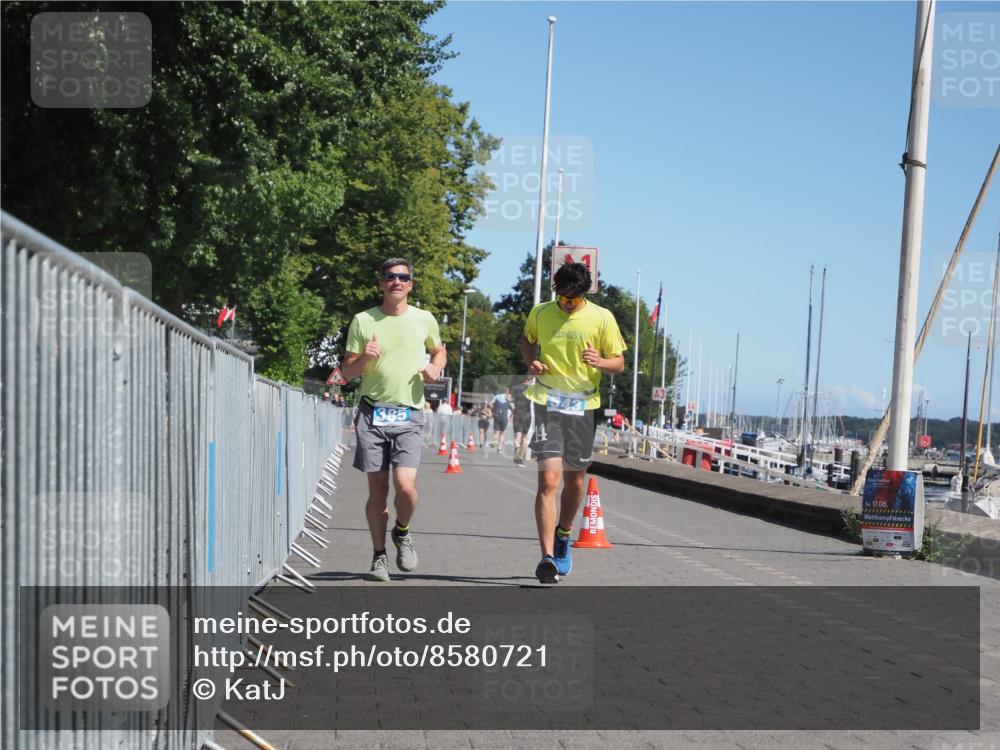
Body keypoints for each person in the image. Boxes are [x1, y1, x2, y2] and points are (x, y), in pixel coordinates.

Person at [341, 258, 446, 582]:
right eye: (390, 276)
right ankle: (379, 557)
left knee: (406, 487)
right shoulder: (363, 320)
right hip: (372, 413)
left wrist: (436, 367)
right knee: (378, 492)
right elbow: (346, 373)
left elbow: (439, 351)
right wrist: (365, 357)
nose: (396, 281)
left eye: (402, 277)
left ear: (410, 284)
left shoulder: (424, 318)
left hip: (409, 413)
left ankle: (402, 530)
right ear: (381, 283)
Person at [521, 262, 626, 584]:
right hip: (547, 402)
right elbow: (527, 340)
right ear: (556, 290)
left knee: (575, 481)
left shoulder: (602, 318)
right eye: (563, 298)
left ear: (585, 294)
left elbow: (619, 363)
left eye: (574, 299)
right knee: (548, 481)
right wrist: (531, 360)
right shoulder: (540, 312)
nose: (568, 304)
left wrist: (600, 361)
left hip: (583, 405)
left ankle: (564, 533)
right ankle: (547, 558)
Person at [511, 376, 534, 466]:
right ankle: (520, 459)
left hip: (517, 414)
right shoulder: (532, 389)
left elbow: (511, 399)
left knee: (517, 437)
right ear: (530, 380)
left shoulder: (516, 388)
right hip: (527, 415)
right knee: (525, 438)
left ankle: (517, 448)